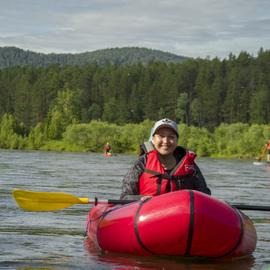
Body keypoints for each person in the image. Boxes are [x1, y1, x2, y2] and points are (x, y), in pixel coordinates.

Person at [120, 118, 211, 200]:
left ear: (176, 140)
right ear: (153, 139)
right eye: (161, 136)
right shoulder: (142, 163)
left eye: (171, 137)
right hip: (148, 214)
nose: (166, 141)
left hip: (180, 213)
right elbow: (125, 196)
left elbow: (205, 196)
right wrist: (141, 198)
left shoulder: (190, 166)